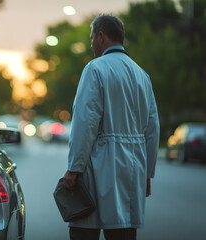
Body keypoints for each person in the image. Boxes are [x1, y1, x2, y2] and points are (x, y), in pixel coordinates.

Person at [62, 14, 160, 240]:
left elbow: (85, 123)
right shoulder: (142, 75)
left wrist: (74, 168)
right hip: (134, 168)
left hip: (100, 166)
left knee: (85, 228)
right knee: (123, 231)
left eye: (91, 37)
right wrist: (147, 174)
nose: (91, 44)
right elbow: (152, 128)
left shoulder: (95, 69)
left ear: (101, 36)